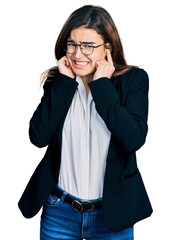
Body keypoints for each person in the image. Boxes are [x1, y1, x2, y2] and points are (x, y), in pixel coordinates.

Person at [18, 5, 153, 240]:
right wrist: (64, 84)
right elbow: (38, 137)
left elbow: (133, 139)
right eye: (72, 44)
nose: (77, 54)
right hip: (59, 211)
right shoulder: (59, 82)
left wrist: (101, 86)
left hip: (112, 215)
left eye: (88, 46)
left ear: (107, 48)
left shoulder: (133, 80)